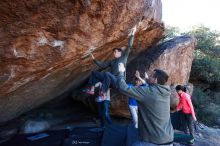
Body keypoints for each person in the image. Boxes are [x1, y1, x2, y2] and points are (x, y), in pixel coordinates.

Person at [117, 63, 174, 146]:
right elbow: (149, 86)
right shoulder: (165, 92)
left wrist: (121, 72)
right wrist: (140, 77)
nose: (148, 77)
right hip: (168, 139)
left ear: (156, 80)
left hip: (154, 141)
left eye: (150, 76)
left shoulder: (148, 92)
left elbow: (123, 87)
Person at [85, 25, 137, 99]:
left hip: (117, 81)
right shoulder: (112, 61)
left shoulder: (123, 58)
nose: (114, 53)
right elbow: (103, 65)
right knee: (94, 73)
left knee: (107, 74)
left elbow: (129, 46)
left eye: (115, 52)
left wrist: (133, 33)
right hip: (109, 79)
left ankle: (103, 93)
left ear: (120, 52)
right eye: (114, 52)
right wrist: (94, 59)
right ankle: (92, 90)